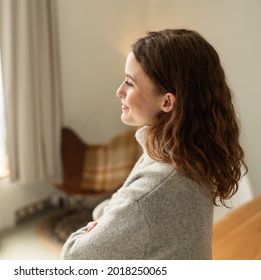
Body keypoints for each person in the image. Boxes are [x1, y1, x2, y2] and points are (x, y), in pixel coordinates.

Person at [60, 29, 247, 260]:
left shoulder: (158, 184)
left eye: (129, 83)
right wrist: (111, 214)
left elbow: (74, 258)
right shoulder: (187, 151)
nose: (119, 91)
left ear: (167, 101)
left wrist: (103, 220)